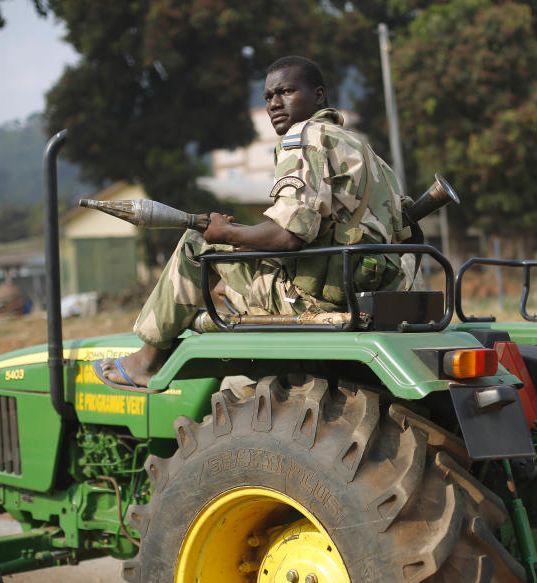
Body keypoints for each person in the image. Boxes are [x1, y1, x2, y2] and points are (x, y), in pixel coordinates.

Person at [95, 55, 410, 392]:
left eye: (286, 92)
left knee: (198, 244)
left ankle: (146, 361)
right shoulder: (363, 149)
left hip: (321, 296)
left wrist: (225, 232)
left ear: (319, 95)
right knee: (228, 268)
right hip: (367, 291)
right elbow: (401, 228)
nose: (274, 103)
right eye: (268, 97)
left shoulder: (304, 137)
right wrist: (243, 238)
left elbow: (289, 235)